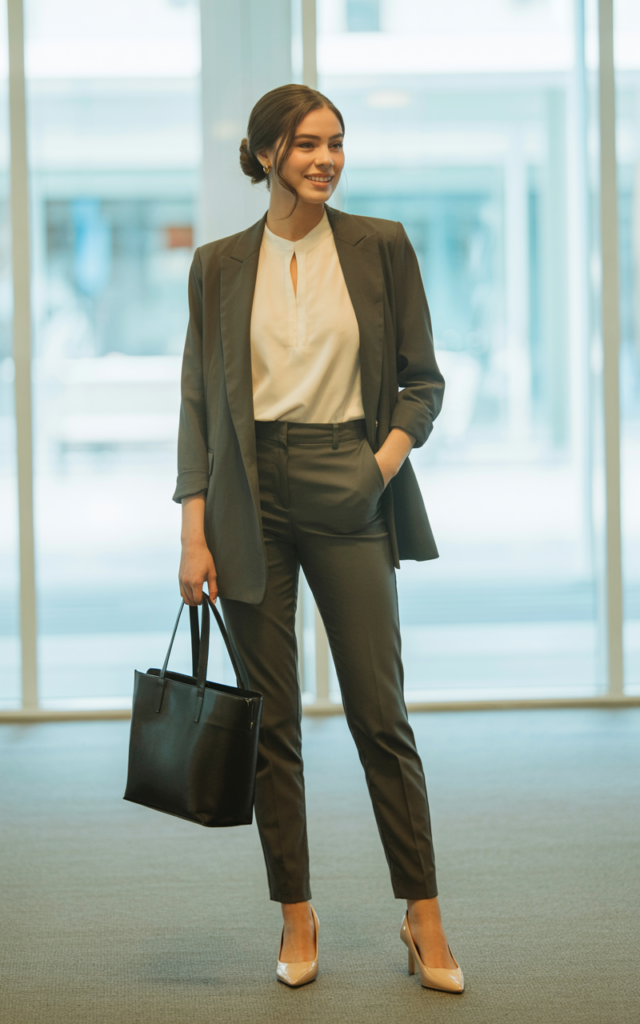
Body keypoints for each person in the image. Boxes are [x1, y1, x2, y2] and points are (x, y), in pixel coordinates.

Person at [175, 84, 463, 994]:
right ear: (265, 155)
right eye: (306, 145)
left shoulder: (380, 246)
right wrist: (194, 533)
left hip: (350, 477)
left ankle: (423, 915)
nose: (326, 159)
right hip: (246, 495)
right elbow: (195, 407)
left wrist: (376, 467)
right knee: (273, 725)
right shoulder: (218, 265)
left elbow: (423, 381)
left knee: (381, 712)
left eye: (336, 143)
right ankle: (296, 914)